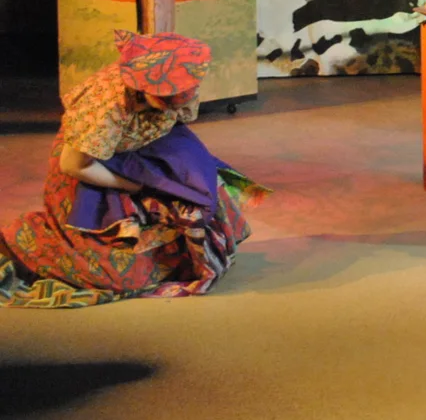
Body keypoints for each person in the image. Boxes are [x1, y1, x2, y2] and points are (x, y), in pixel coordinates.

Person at [1, 31, 267, 308]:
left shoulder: (180, 83)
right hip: (96, 166)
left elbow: (176, 118)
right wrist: (134, 185)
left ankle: (189, 255)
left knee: (198, 190)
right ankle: (23, 241)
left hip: (146, 145)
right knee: (114, 268)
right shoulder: (105, 105)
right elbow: (74, 165)